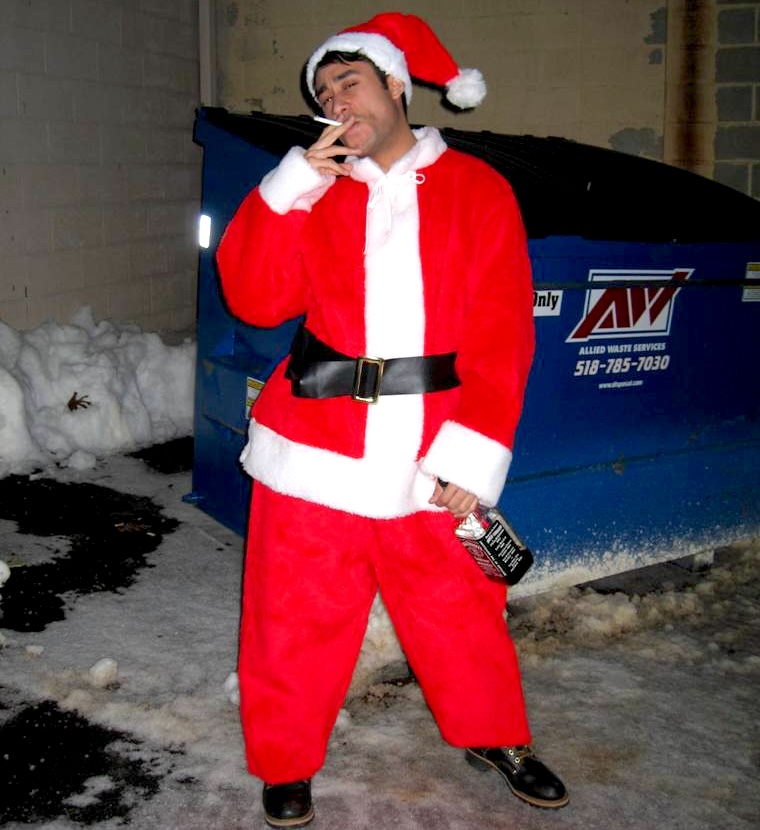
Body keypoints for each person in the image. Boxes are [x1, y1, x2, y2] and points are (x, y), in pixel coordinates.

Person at [216, 12, 568, 827]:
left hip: (431, 447)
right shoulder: (315, 190)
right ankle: (285, 761)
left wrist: (471, 455)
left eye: (351, 82)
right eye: (324, 92)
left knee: (461, 611)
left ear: (397, 85)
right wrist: (288, 189)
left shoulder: (478, 189)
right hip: (313, 442)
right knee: (290, 616)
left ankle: (494, 736)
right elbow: (255, 298)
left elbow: (504, 334)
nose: (337, 101)